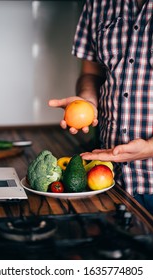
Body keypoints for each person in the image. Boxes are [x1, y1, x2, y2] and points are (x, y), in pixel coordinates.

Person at [49, 0, 153, 215]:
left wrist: (149, 148)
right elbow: (91, 73)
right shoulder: (98, 4)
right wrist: (87, 101)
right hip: (106, 179)